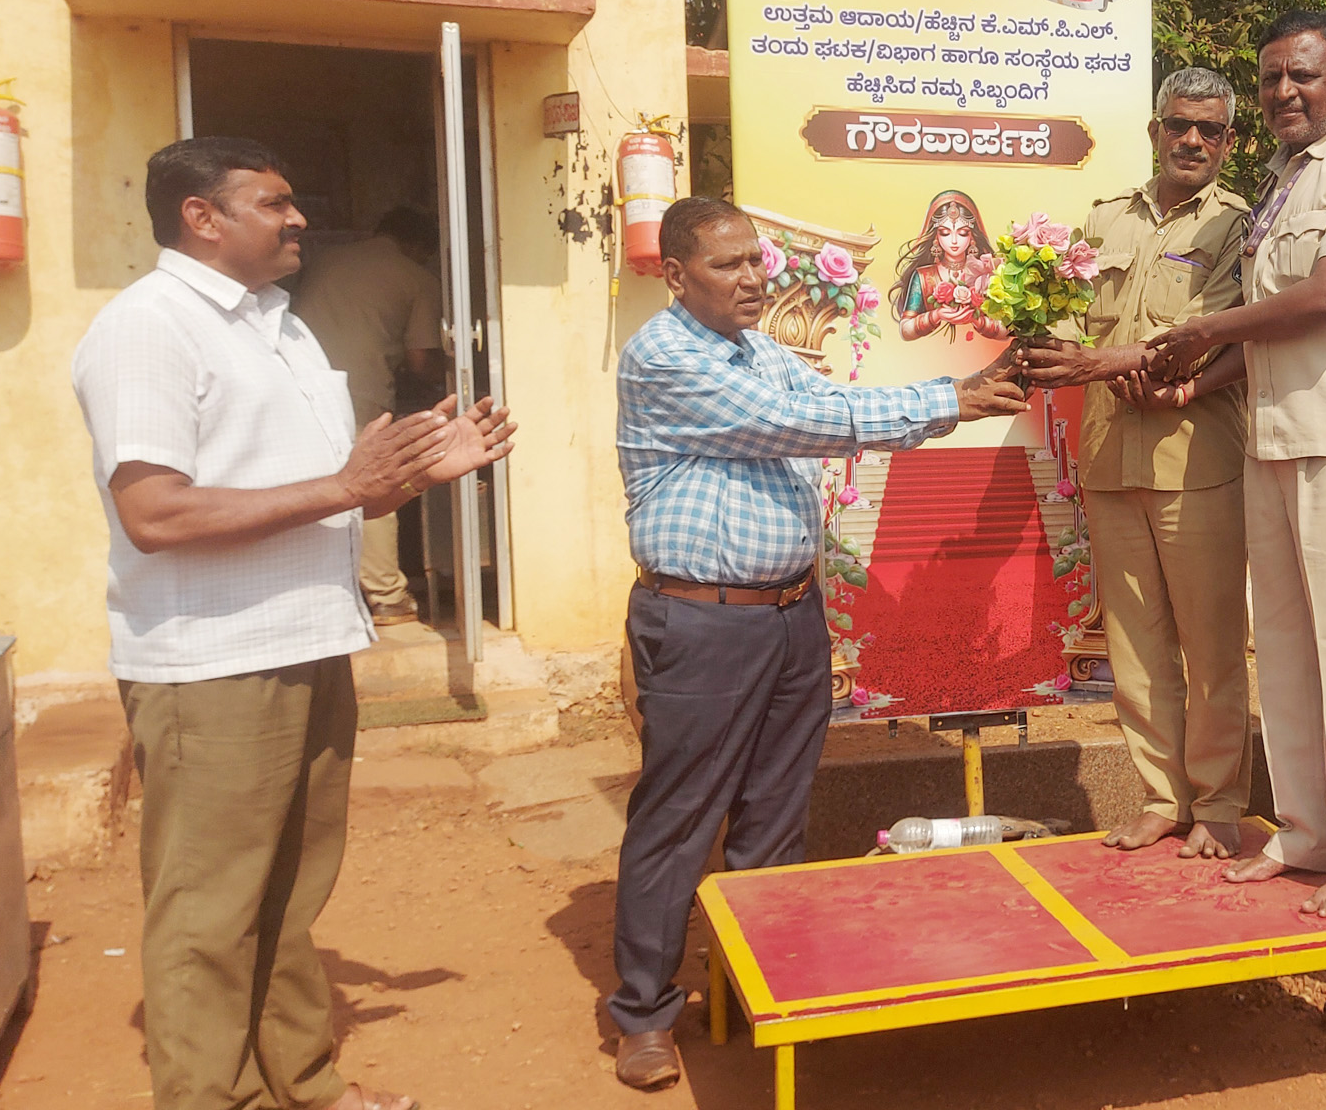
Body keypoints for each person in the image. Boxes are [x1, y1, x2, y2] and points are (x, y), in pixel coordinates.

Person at [71, 136, 516, 1110]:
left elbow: (319, 496)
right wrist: (344, 482)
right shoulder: (150, 327)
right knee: (210, 911)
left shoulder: (281, 326)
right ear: (202, 217)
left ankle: (305, 1085)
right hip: (212, 665)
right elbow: (155, 512)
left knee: (287, 894)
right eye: (273, 201)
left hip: (309, 643)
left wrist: (401, 481)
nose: (298, 215)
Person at [609, 196, 1029, 1091]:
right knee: (678, 818)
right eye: (728, 266)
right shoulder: (664, 357)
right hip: (703, 621)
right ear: (677, 276)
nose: (754, 279)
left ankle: (754, 986)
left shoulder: (759, 349)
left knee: (774, 816)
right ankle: (644, 1013)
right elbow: (800, 426)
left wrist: (956, 399)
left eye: (757, 262)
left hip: (790, 616)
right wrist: (948, 397)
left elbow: (838, 403)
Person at [1146, 10, 1326, 919]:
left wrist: (1204, 330)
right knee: (1292, 650)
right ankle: (1304, 832)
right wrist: (1203, 379)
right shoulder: (1279, 181)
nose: (1284, 94)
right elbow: (1270, 331)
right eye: (1270, 79)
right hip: (1271, 439)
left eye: (1303, 75)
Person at [1019, 67, 1254, 860]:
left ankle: (1220, 802)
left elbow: (1206, 331)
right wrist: (1046, 330)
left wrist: (1098, 360)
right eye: (1180, 125)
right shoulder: (1102, 220)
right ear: (1156, 130)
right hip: (1110, 458)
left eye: (1211, 130)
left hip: (1198, 461)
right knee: (1134, 644)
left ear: (1229, 142)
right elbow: (1065, 321)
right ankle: (1162, 798)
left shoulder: (1238, 227)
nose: (1193, 140)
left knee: (1213, 644)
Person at [293, 205, 446, 625]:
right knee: (374, 485)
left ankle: (319, 591)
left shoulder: (326, 260)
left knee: (315, 487)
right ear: (418, 247)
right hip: (358, 394)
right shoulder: (416, 278)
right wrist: (450, 378)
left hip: (294, 386)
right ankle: (388, 596)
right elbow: (420, 361)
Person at [888, 188, 1008, 341]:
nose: (954, 241)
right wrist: (935, 315)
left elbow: (1007, 330)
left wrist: (977, 320)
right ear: (936, 236)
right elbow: (905, 331)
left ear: (972, 236)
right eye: (945, 233)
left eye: (962, 232)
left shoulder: (987, 273)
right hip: (931, 357)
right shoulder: (923, 277)